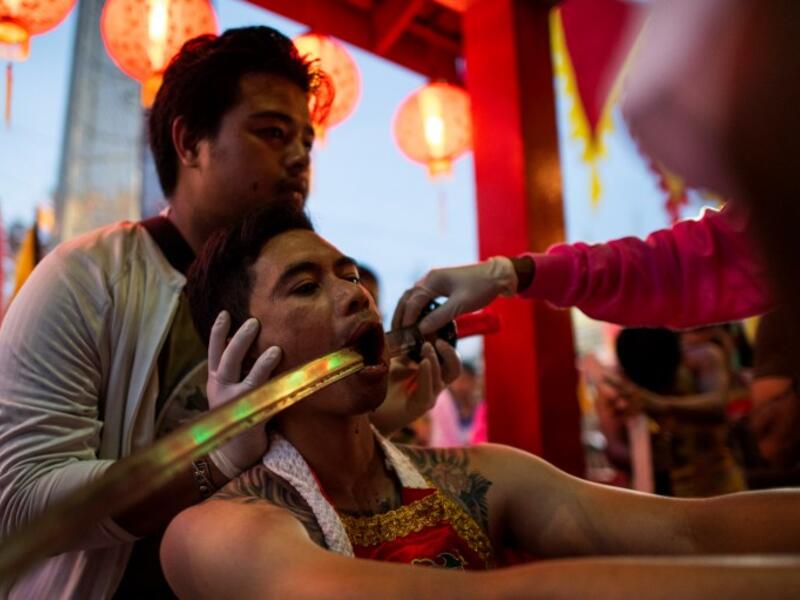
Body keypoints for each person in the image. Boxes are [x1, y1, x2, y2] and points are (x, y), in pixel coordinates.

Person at [0, 27, 455, 598]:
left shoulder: (293, 299)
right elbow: (22, 500)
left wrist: (377, 414)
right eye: (272, 132)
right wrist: (211, 459)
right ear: (190, 142)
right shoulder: (89, 279)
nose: (300, 158)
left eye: (307, 142)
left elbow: (283, 456)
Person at [160, 203, 800, 599]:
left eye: (350, 275)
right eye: (305, 287)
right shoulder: (220, 530)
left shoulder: (483, 476)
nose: (356, 295)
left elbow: (691, 530)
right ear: (239, 351)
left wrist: (511, 273)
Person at [609, 328, 746, 497]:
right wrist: (646, 457)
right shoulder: (618, 380)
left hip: (714, 485)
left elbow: (718, 406)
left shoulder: (701, 357)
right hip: (656, 493)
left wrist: (662, 404)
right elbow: (614, 446)